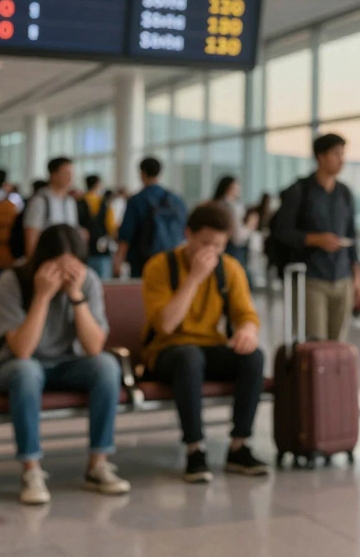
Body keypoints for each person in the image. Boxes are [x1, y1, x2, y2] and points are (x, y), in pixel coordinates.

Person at [0, 224, 130, 505]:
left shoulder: (87, 281)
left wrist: (76, 296)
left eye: (72, 266)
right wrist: (42, 295)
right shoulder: (13, 281)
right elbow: (23, 349)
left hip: (68, 364)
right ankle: (31, 469)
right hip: (16, 368)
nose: (65, 274)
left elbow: (93, 347)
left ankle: (98, 463)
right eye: (56, 267)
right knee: (27, 371)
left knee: (106, 366)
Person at [141, 202, 269, 482]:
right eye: (205, 243)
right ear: (188, 233)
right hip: (166, 351)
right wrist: (194, 279)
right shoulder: (160, 267)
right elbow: (166, 324)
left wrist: (247, 331)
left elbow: (246, 314)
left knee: (253, 356)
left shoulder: (230, 268)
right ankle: (195, 449)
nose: (211, 252)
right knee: (189, 357)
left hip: (209, 346)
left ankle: (239, 445)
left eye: (219, 245)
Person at [270, 133, 360, 342]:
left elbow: (352, 234)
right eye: (336, 154)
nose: (341, 160)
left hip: (341, 276)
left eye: (343, 154)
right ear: (321, 157)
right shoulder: (299, 191)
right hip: (310, 277)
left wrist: (357, 274)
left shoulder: (344, 193)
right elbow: (282, 231)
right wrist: (315, 239)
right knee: (315, 344)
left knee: (338, 343)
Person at [114, 157, 187, 279]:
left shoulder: (136, 200)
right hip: (172, 260)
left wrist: (118, 263)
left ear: (142, 173)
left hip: (143, 262)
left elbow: (126, 236)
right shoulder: (176, 200)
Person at [23, 158, 80, 259]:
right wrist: (32, 262)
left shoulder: (70, 202)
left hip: (67, 259)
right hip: (47, 259)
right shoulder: (40, 201)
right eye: (66, 173)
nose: (70, 177)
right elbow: (31, 234)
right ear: (53, 175)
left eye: (72, 173)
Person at [213, 176, 258, 270]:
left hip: (218, 247)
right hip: (234, 248)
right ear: (229, 189)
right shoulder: (233, 207)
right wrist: (250, 224)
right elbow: (238, 237)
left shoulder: (216, 204)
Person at [79, 175, 117, 280]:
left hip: (83, 248)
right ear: (98, 184)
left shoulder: (79, 201)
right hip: (102, 247)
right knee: (104, 281)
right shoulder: (104, 203)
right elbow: (111, 227)